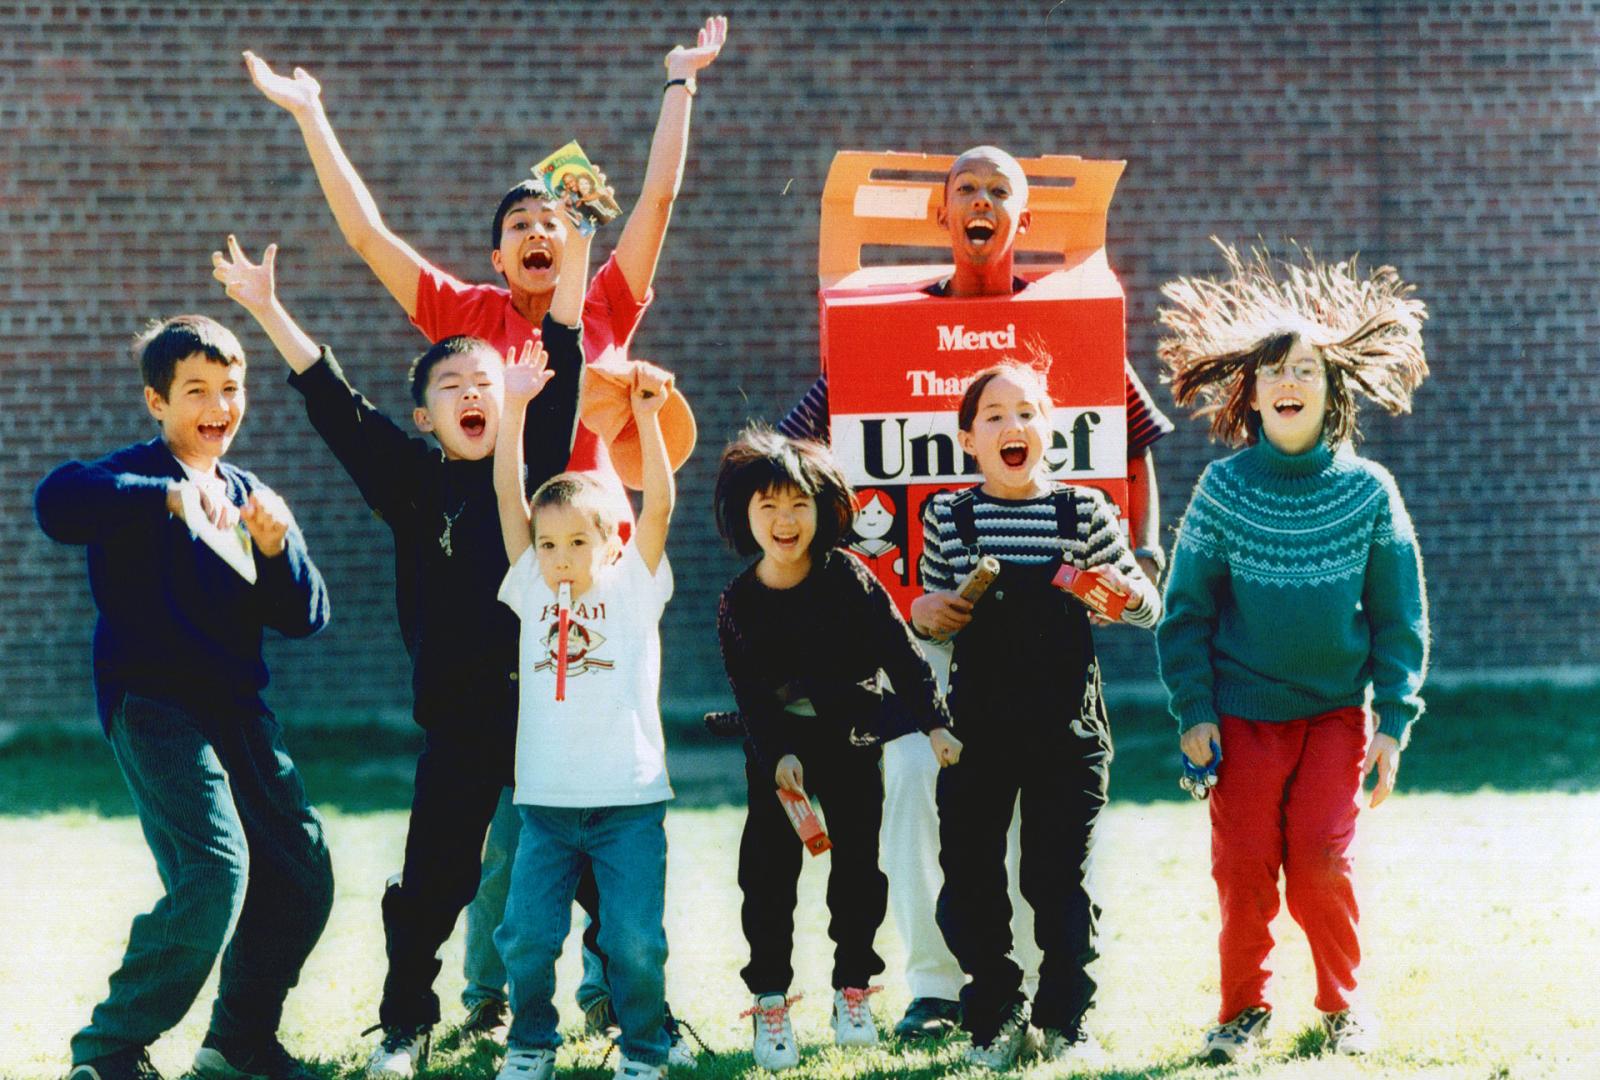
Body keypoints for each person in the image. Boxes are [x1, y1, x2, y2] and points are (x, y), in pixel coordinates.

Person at [244, 22, 724, 1052]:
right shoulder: (462, 330)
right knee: (477, 844)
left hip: (577, 591)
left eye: (552, 216)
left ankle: (617, 1000)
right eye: (518, 223)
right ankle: (467, 1004)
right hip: (472, 629)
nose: (537, 230)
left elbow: (654, 205)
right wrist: (312, 115)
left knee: (594, 831)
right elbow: (368, 247)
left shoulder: (593, 311)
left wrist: (678, 84)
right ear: (495, 253)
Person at [781, 143, 1175, 1040]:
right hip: (918, 609)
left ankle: (1044, 993)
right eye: (967, 190)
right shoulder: (877, 330)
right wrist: (876, 586)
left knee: (1050, 816)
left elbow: (1137, 440)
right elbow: (804, 450)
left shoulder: (1073, 324)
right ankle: (934, 979)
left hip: (1042, 630)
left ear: (1023, 220)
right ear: (942, 216)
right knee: (921, 780)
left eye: (1003, 191)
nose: (984, 202)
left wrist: (1139, 560)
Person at [211, 221, 584, 1079]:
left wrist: (575, 243)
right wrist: (269, 308)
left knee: (595, 869)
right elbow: (333, 403)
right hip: (458, 722)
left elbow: (562, 345)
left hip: (553, 715)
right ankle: (403, 1025)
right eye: (452, 384)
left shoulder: (536, 462)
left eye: (486, 381)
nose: (471, 393)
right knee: (430, 888)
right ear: (428, 414)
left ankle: (638, 1015)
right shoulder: (413, 482)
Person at [1154, 242, 1430, 1064]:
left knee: (1318, 862)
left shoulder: (1369, 491)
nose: (1287, 382)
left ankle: (1343, 1006)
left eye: (1305, 370)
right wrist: (1194, 710)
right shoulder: (1224, 489)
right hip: (1240, 718)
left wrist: (1394, 721)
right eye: (1273, 370)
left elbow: (1398, 615)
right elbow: (1185, 613)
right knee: (1244, 871)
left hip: (1336, 718)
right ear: (1251, 393)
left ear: (1332, 391)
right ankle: (1242, 1013)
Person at [37, 315, 333, 1080]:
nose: (217, 404)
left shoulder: (251, 494)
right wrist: (166, 498)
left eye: (230, 389)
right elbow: (57, 502)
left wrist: (280, 549)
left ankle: (236, 1045)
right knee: (214, 873)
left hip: (237, 709)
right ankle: (108, 1051)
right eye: (196, 390)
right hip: (153, 706)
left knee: (302, 872)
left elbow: (306, 618)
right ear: (156, 402)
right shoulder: (131, 478)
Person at [909, 361, 1161, 1069]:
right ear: (967, 438)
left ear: (1050, 427)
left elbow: (1147, 608)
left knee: (1055, 879)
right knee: (971, 876)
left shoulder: (1083, 513)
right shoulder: (948, 517)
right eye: (993, 415)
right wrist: (927, 615)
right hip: (978, 732)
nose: (1011, 425)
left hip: (1067, 731)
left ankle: (1064, 1021)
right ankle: (993, 1015)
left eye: (1026, 411)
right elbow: (933, 618)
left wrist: (1119, 594)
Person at [712, 429, 961, 1070]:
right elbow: (748, 690)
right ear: (745, 514)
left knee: (857, 872)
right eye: (766, 505)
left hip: (852, 736)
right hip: (778, 753)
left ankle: (853, 992)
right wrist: (774, 756)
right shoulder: (739, 600)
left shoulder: (849, 576)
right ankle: (770, 1005)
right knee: (767, 876)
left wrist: (933, 723)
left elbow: (901, 655)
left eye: (797, 503)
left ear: (824, 508)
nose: (783, 520)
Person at [490, 347, 680, 1080]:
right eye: (548, 544)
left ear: (611, 543)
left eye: (576, 542)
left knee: (632, 941)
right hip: (545, 808)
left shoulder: (635, 586)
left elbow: (657, 505)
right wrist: (514, 412)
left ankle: (643, 1050)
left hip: (628, 806)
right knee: (527, 939)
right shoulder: (531, 587)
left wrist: (646, 418)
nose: (559, 556)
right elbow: (511, 498)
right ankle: (531, 1040)